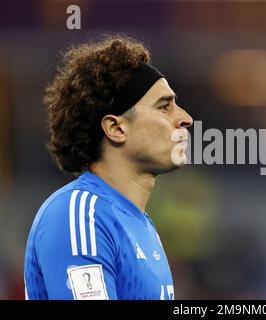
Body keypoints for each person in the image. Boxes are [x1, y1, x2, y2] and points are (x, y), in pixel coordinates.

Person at [24, 35, 193, 300]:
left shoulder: (141, 226)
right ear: (116, 128)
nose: (185, 118)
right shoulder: (80, 213)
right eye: (164, 106)